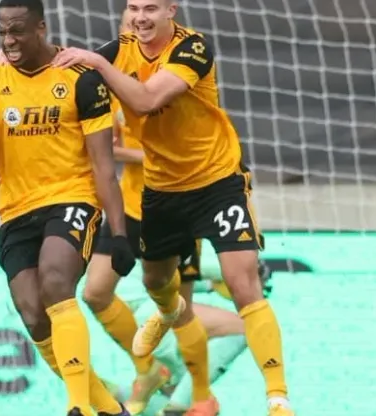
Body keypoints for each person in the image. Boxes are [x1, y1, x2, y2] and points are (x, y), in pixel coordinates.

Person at [52, 0, 293, 415]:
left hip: (218, 183)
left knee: (243, 282)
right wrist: (15, 60)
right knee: (153, 282)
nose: (139, 18)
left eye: (150, 9)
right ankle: (165, 331)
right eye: (133, 9)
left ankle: (276, 397)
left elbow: (147, 100)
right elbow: (59, 71)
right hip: (161, 192)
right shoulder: (118, 53)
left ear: (171, 11)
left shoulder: (192, 47)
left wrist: (98, 64)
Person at [0, 1, 137, 414]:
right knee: (34, 315)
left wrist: (119, 232)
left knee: (56, 281)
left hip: (72, 199)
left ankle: (78, 406)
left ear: (41, 27)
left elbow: (103, 165)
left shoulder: (80, 79)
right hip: (17, 211)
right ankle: (110, 408)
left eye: (17, 30)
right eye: (3, 31)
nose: (9, 40)